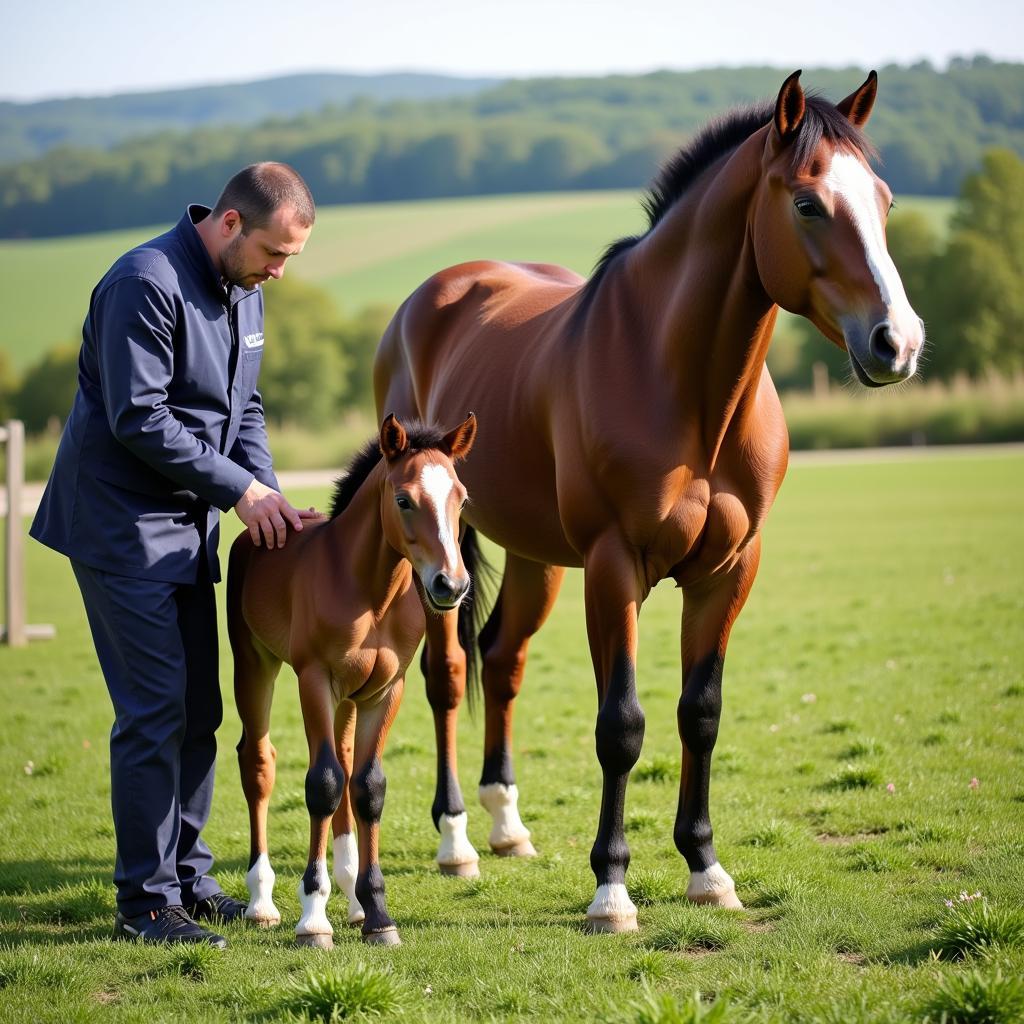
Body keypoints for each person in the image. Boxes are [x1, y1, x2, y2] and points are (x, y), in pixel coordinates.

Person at [30, 162, 321, 948]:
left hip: (190, 526)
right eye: (273, 251)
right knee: (155, 711)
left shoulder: (246, 288)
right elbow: (140, 416)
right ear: (229, 223)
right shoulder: (143, 282)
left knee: (201, 709)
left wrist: (267, 490)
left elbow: (244, 406)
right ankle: (145, 905)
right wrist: (239, 492)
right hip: (119, 527)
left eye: (290, 257)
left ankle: (191, 879)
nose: (280, 271)